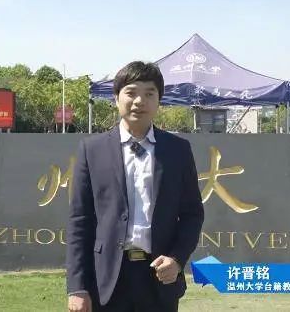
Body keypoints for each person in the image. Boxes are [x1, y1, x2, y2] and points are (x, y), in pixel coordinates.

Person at [67, 61, 205, 312]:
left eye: (149, 94)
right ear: (116, 98)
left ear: (159, 101)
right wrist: (77, 287)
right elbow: (80, 221)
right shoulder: (92, 150)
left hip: (159, 277)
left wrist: (177, 259)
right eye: (131, 93)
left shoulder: (178, 150)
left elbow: (192, 214)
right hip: (107, 280)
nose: (139, 101)